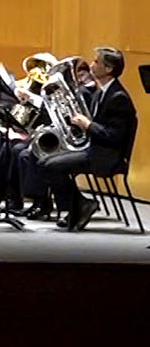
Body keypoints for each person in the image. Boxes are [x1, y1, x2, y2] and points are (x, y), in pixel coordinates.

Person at [30, 46, 138, 231]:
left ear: (108, 69)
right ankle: (78, 207)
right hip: (93, 149)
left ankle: (79, 207)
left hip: (107, 156)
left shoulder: (118, 97)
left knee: (50, 166)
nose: (91, 64)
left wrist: (87, 125)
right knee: (42, 159)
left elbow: (114, 137)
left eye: (96, 62)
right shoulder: (101, 92)